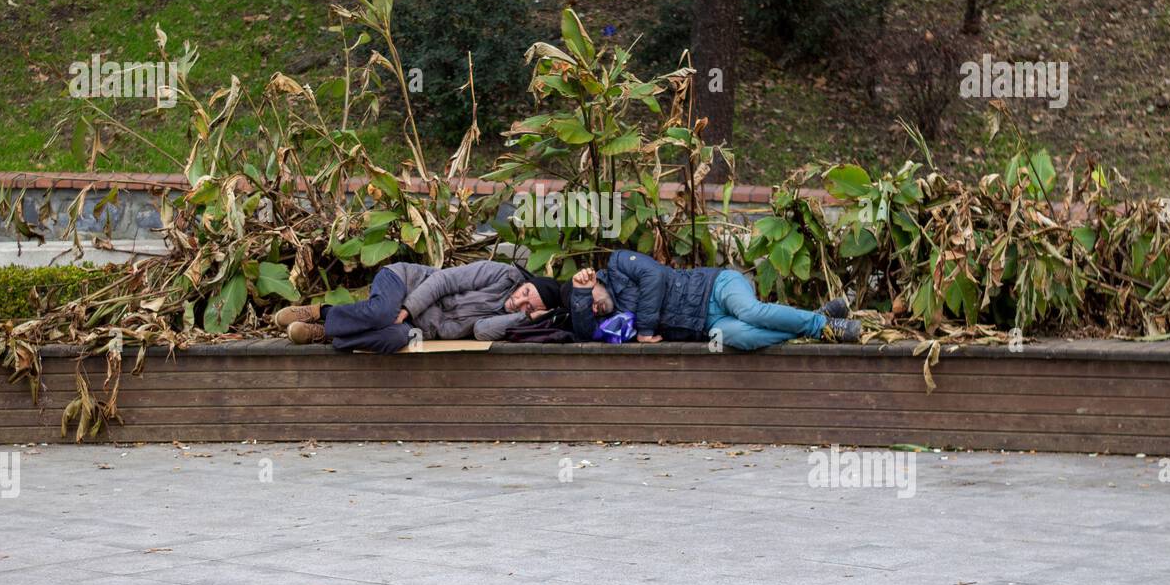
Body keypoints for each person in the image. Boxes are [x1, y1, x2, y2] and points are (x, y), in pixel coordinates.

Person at [568, 250, 860, 350]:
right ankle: (812, 319)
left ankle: (822, 326)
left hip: (715, 285)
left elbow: (654, 277)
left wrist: (644, 330)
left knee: (751, 312)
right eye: (591, 310)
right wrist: (581, 294)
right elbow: (582, 332)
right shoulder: (614, 323)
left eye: (591, 299)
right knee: (741, 338)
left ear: (597, 280)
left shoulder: (619, 263)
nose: (595, 309)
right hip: (707, 324)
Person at [276, 260, 562, 352]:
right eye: (525, 292)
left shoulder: (505, 318)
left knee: (397, 337)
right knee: (382, 312)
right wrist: (409, 309)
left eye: (527, 307)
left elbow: (481, 331)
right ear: (525, 282)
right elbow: (445, 280)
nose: (519, 301)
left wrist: (525, 319)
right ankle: (320, 313)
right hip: (407, 282)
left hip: (415, 327)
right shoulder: (503, 274)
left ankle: (326, 335)